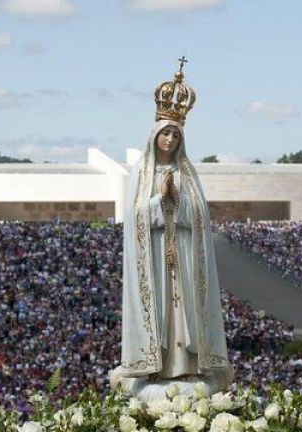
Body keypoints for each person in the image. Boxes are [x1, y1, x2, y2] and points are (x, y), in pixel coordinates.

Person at [116, 59, 231, 400]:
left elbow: (199, 215)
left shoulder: (187, 173)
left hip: (181, 253)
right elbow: (135, 217)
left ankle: (187, 364)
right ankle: (157, 364)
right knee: (161, 310)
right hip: (153, 257)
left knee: (185, 309)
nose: (168, 139)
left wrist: (177, 202)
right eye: (164, 133)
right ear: (154, 136)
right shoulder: (142, 174)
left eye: (174, 134)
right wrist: (157, 201)